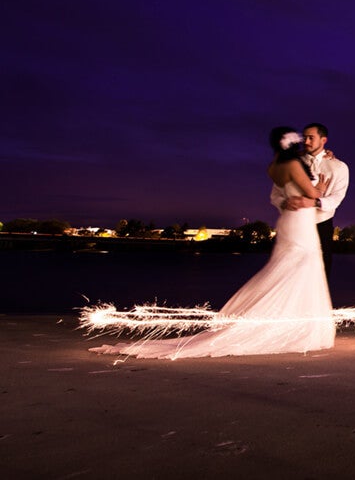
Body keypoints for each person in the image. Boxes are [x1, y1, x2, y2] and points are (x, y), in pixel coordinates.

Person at [91, 127, 335, 358]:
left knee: (288, 268)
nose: (303, 142)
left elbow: (284, 193)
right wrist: (320, 188)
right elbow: (312, 194)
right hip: (301, 222)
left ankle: (281, 319)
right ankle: (293, 324)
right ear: (292, 143)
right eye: (300, 139)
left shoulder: (275, 166)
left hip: (289, 220)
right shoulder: (294, 164)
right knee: (301, 268)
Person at [288, 122, 348, 275]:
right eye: (304, 138)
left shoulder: (339, 167)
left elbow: (337, 198)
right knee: (292, 270)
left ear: (323, 140)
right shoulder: (295, 163)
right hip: (296, 222)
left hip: (322, 224)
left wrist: (315, 201)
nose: (306, 141)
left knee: (321, 272)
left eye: (311, 138)